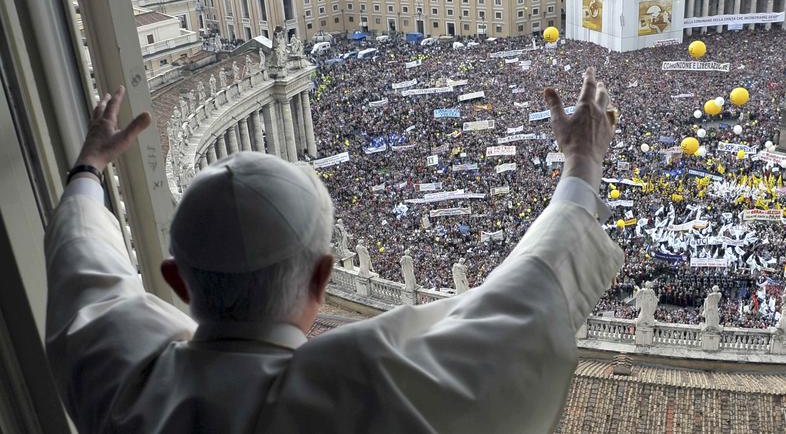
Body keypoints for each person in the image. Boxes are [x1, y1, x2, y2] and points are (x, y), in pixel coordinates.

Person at [45, 68, 623, 433]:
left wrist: (89, 166)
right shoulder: (371, 388)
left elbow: (83, 264)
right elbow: (524, 304)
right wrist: (581, 163)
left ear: (176, 280)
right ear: (324, 277)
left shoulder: (120, 384)